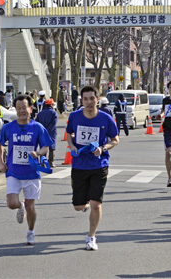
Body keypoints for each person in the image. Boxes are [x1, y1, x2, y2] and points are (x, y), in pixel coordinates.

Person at [66, 86, 119, 251]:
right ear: (81, 100)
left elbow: (115, 139)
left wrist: (103, 148)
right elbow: (69, 134)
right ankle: (84, 203)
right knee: (78, 206)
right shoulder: (74, 116)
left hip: (99, 165)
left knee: (96, 204)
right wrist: (72, 146)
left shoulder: (105, 118)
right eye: (85, 99)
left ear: (97, 99)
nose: (89, 102)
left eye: (92, 98)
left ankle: (91, 237)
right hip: (79, 165)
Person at [0, 94, 53, 245]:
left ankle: (31, 232)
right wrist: (1, 162)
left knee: (31, 206)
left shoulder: (37, 127)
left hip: (32, 173)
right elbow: (0, 143)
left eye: (24, 108)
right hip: (13, 172)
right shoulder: (8, 127)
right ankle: (19, 206)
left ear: (31, 108)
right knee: (11, 203)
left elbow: (46, 146)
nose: (22, 111)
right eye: (19, 108)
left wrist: (39, 153)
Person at [35, 98, 58, 167]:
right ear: (51, 105)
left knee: (43, 147)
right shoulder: (54, 113)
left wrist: (42, 131)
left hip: (42, 133)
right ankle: (50, 162)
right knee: (52, 147)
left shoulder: (40, 113)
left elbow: (37, 123)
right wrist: (48, 131)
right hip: (51, 132)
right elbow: (53, 124)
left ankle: (42, 163)